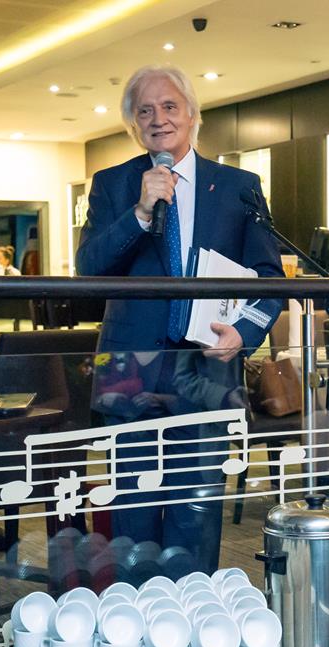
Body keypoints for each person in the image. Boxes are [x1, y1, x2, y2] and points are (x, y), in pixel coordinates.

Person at [75, 64, 283, 573]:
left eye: (169, 106)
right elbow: (89, 268)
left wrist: (244, 333)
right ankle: (137, 619)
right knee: (133, 515)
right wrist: (140, 213)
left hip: (206, 371)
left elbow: (269, 277)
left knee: (196, 515)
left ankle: (193, 614)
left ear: (192, 114)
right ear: (134, 124)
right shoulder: (112, 184)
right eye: (145, 110)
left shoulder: (238, 186)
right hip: (131, 370)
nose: (158, 118)